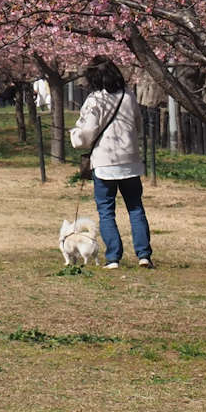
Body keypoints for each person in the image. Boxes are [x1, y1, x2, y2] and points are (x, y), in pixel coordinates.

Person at [70, 60, 151, 269]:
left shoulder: (95, 100)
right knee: (135, 208)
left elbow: (87, 132)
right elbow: (138, 124)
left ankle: (113, 257)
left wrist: (75, 137)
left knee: (106, 211)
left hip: (105, 162)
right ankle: (144, 255)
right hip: (130, 161)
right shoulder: (128, 96)